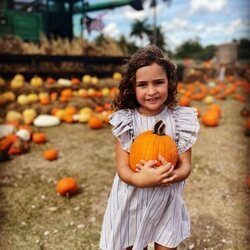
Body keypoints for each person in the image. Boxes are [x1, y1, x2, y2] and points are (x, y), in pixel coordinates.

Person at [99, 45, 199, 250]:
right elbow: (122, 167)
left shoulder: (180, 120)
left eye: (159, 82)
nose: (151, 91)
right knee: (131, 243)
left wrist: (170, 176)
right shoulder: (127, 121)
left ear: (170, 83)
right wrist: (138, 178)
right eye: (143, 85)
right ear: (132, 87)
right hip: (132, 199)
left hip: (166, 200)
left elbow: (186, 165)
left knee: (166, 245)